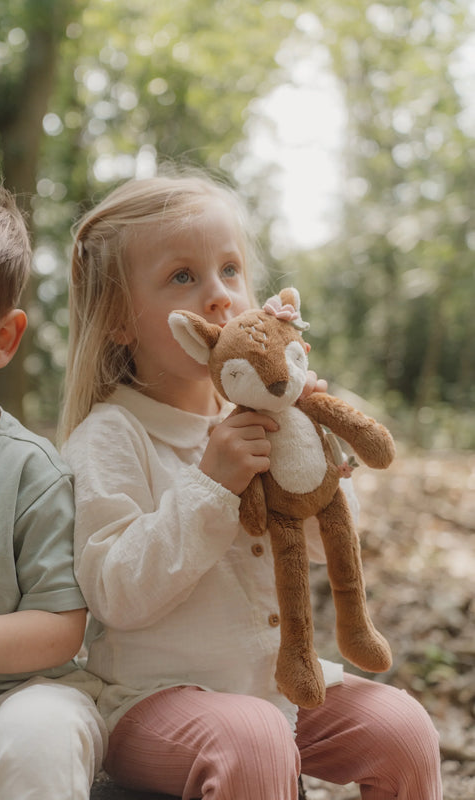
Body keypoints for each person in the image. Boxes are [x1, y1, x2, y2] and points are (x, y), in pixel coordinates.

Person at [60, 167, 442, 800]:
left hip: (275, 684)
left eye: (230, 271)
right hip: (152, 701)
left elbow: (325, 548)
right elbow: (114, 593)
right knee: (255, 738)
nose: (219, 296)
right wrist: (210, 486)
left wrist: (313, 457)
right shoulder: (110, 438)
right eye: (183, 276)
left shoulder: (262, 420)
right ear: (121, 321)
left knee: (400, 730)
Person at [0, 164, 107, 800]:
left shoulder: (28, 469)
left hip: (11, 712)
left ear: (2, 338)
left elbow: (58, 629)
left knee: (39, 731)